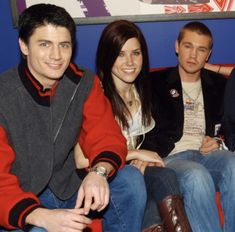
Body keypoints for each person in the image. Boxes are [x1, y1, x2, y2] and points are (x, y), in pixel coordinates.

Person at [0, 4, 147, 232]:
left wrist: (99, 171)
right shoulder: (4, 94)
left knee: (130, 180)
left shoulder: (83, 83)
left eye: (64, 45)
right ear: (24, 46)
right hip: (21, 196)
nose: (56, 56)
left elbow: (107, 136)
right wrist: (40, 216)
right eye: (45, 44)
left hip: (69, 187)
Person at [75, 19, 192, 232]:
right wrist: (134, 154)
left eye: (136, 53)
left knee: (156, 183)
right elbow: (81, 159)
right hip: (103, 177)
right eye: (120, 54)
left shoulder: (143, 92)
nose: (130, 62)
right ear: (107, 57)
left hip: (134, 174)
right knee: (160, 177)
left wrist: (143, 158)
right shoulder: (95, 95)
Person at [141, 21, 235, 232]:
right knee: (196, 175)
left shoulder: (218, 84)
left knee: (234, 164)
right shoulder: (153, 82)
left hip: (207, 155)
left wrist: (219, 141)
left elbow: (229, 123)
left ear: (208, 54)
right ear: (177, 46)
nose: (193, 55)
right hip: (172, 158)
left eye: (201, 49)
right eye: (188, 46)